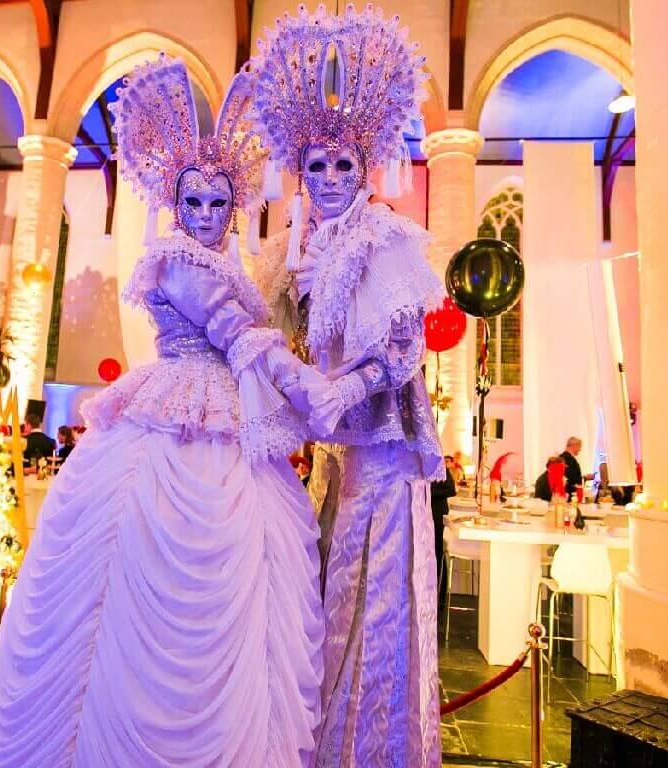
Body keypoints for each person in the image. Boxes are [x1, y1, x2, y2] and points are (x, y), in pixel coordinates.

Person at [0, 57, 326, 768]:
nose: (205, 216)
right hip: (172, 409)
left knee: (241, 576)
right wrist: (303, 385)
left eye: (218, 203)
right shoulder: (175, 261)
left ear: (235, 205)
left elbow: (258, 321)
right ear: (174, 202)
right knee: (125, 571)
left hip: (231, 421)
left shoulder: (233, 265)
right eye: (193, 202)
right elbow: (231, 331)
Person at [252, 7, 443, 764]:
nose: (330, 180)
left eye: (343, 167)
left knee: (374, 601)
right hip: (336, 457)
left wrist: (343, 391)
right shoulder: (299, 248)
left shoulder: (385, 239)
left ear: (365, 171)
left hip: (383, 456)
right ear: (300, 173)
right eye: (317, 167)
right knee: (330, 588)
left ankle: (371, 749)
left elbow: (401, 351)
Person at [431, 457, 457, 591]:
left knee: (438, 551)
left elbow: (451, 490)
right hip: (425, 513)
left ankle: (440, 591)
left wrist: (428, 492)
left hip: (437, 513)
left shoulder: (439, 465)